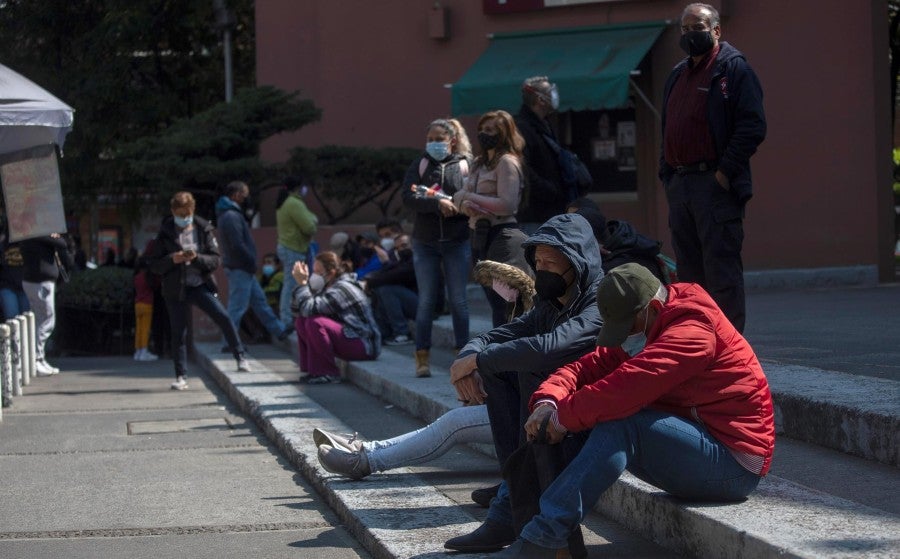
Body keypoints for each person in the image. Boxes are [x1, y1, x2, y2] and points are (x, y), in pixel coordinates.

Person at [492, 262, 775, 557]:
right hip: (695, 442)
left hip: (734, 464)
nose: (625, 335)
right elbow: (585, 367)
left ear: (652, 307)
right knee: (570, 421)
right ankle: (519, 523)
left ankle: (544, 539)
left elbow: (623, 390)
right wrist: (549, 401)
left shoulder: (692, 333)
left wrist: (562, 418)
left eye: (629, 326)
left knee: (617, 422)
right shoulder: (650, 321)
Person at [444, 212, 604, 553]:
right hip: (552, 409)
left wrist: (479, 359)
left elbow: (552, 347)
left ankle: (515, 516)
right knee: (502, 367)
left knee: (526, 368)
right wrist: (467, 359)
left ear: (577, 264)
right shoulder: (549, 303)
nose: (542, 269)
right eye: (538, 261)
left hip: (594, 411)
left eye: (552, 261)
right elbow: (500, 334)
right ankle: (508, 510)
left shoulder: (598, 300)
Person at [312, 258, 536, 482]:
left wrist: (484, 372)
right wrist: (474, 366)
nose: (497, 286)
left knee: (455, 422)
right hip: (520, 401)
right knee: (462, 406)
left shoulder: (553, 315)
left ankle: (364, 460)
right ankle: (366, 449)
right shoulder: (526, 314)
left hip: (537, 411)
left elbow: (538, 357)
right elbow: (491, 341)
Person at [659, 2, 766, 333]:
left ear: (716, 30)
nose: (691, 34)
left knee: (721, 275)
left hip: (714, 186)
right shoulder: (677, 75)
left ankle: (729, 352)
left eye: (699, 27)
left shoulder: (734, 70)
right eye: (685, 28)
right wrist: (668, 175)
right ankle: (697, 346)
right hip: (682, 187)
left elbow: (752, 126)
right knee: (690, 280)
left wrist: (723, 173)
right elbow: (667, 129)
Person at [147, 191, 249, 391]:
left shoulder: (203, 229)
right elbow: (154, 265)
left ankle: (240, 355)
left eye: (186, 214)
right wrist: (172, 260)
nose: (183, 219)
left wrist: (196, 258)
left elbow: (215, 259)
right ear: (173, 212)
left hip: (199, 284)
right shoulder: (165, 232)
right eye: (179, 214)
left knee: (222, 316)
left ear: (192, 211)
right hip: (175, 288)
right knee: (178, 333)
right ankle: (181, 375)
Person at [401, 117, 473, 377]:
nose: (434, 144)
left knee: (459, 301)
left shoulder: (466, 165)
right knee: (427, 301)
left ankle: (463, 357)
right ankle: (422, 358)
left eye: (439, 139)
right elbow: (408, 196)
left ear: (451, 141)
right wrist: (436, 204)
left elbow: (475, 195)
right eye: (430, 139)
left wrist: (459, 206)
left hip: (457, 240)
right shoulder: (420, 164)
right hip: (425, 242)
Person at [452, 109, 525, 328]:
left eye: (491, 130)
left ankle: (506, 351)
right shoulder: (477, 163)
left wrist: (471, 197)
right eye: (482, 129)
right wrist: (466, 204)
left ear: (503, 133)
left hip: (500, 237)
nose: (485, 133)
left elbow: (508, 204)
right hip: (477, 235)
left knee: (504, 301)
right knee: (494, 299)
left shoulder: (507, 163)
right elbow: (457, 197)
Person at [215, 181, 292, 344]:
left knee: (260, 302)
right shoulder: (231, 216)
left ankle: (279, 330)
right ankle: (229, 342)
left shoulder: (230, 214)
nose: (246, 198)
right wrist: (249, 261)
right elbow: (237, 244)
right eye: (244, 194)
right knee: (237, 307)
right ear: (236, 195)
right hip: (240, 266)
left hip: (243, 267)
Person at [290, 251, 381, 385]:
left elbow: (309, 309)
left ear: (331, 273)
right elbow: (298, 312)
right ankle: (313, 370)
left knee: (315, 322)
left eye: (318, 272)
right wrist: (302, 286)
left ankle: (328, 372)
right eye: (313, 272)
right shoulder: (326, 286)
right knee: (301, 322)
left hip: (364, 345)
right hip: (347, 337)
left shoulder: (343, 288)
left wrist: (303, 286)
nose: (314, 276)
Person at [515, 76, 568, 233]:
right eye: (550, 92)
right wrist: (550, 190)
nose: (554, 96)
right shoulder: (522, 127)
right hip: (534, 214)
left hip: (551, 211)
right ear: (540, 99)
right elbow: (523, 168)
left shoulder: (544, 125)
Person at [20, 233, 71, 376]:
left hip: (34, 280)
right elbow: (62, 243)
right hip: (41, 281)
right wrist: (54, 236)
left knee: (39, 320)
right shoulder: (39, 234)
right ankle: (36, 360)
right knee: (47, 320)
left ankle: (39, 359)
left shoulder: (26, 235)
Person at [276, 175, 318, 327]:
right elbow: (309, 226)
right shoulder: (294, 203)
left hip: (290, 247)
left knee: (293, 284)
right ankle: (287, 320)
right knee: (292, 285)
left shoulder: (287, 202)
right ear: (298, 187)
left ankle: (290, 318)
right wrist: (313, 220)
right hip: (293, 248)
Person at [365, 234, 417, 346]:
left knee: (386, 289)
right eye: (398, 248)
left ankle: (403, 333)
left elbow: (396, 275)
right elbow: (384, 275)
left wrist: (387, 263)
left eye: (404, 245)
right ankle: (384, 332)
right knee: (380, 289)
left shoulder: (417, 259)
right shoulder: (397, 258)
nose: (401, 250)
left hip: (424, 307)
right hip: (408, 303)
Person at [132, 250, 158, 361]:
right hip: (147, 304)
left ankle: (138, 351)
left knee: (138, 328)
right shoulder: (147, 277)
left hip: (137, 304)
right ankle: (144, 350)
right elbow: (155, 286)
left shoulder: (136, 277)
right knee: (146, 329)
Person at [0, 235, 30, 321]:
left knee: (26, 318)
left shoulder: (29, 242)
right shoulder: (3, 242)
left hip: (25, 285)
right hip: (6, 285)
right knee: (12, 318)